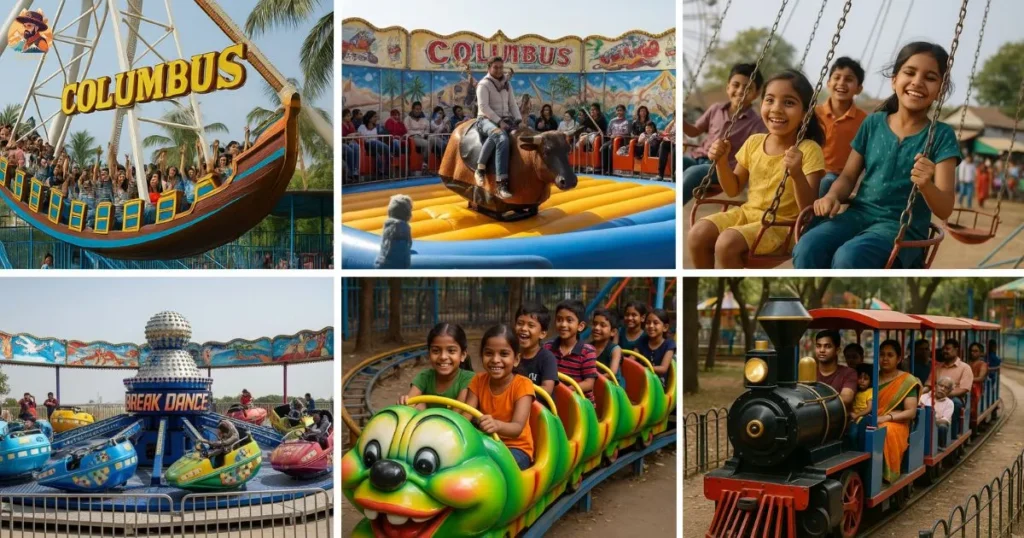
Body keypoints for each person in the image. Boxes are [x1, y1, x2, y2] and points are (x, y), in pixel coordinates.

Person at [795, 42, 961, 269]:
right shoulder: (873, 123)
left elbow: (945, 208)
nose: (917, 82)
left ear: (940, 90)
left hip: (901, 227)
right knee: (808, 245)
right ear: (894, 80)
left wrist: (926, 185)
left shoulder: (941, 135)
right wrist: (832, 196)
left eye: (930, 77)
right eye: (910, 73)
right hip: (859, 215)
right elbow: (848, 177)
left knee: (849, 257)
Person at [687, 70, 825, 268]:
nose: (776, 109)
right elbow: (733, 189)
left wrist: (796, 174)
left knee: (726, 243)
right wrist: (721, 161)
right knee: (697, 234)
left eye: (789, 103)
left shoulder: (808, 150)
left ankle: (729, 288)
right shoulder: (754, 142)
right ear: (761, 105)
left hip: (780, 226)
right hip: (748, 214)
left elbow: (808, 209)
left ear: (805, 113)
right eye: (770, 100)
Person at [682, 63, 767, 204]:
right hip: (697, 158)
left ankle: (674, 209)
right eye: (736, 85)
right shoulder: (716, 109)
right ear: (728, 87)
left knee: (693, 173)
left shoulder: (756, 123)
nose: (740, 91)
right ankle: (662, 201)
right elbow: (695, 131)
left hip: (721, 169)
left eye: (748, 88)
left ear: (757, 94)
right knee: (677, 162)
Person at [465, 325, 535, 470]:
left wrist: (497, 425)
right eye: (489, 353)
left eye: (504, 354)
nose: (495, 360)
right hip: (486, 444)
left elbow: (517, 428)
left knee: (490, 468)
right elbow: (467, 414)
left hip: (516, 448)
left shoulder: (523, 385)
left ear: (516, 359)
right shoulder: (478, 381)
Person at [815, 57, 867, 197]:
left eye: (849, 80)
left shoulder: (864, 121)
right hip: (812, 172)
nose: (841, 83)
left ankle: (816, 218)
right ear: (828, 83)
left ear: (859, 88)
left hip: (841, 179)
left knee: (827, 181)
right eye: (836, 78)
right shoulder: (814, 114)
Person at [874, 339, 921, 483]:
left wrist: (887, 417)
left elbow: (910, 412)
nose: (885, 358)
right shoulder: (871, 377)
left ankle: (883, 473)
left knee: (883, 430)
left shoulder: (907, 381)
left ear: (898, 358)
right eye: (882, 354)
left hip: (896, 423)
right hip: (872, 417)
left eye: (890, 355)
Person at [475, 57, 521, 199]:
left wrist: (519, 120)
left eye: (501, 67)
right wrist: (499, 121)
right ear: (489, 68)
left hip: (505, 119)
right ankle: (499, 182)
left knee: (523, 134)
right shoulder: (484, 84)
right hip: (485, 120)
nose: (499, 70)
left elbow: (512, 104)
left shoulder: (507, 84)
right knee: (501, 137)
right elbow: (484, 107)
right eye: (495, 67)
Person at [399, 323, 475, 409]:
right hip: (427, 421)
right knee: (419, 406)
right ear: (429, 354)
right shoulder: (424, 377)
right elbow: (409, 405)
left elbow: (457, 415)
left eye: (451, 351)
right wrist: (405, 403)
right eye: (436, 351)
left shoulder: (468, 379)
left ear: (463, 355)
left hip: (451, 422)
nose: (443, 357)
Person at [545, 300, 598, 404]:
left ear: (580, 326)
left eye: (569, 320)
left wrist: (567, 390)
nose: (563, 324)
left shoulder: (587, 351)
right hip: (556, 401)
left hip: (580, 403)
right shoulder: (548, 347)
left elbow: (589, 383)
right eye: (559, 320)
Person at [922, 339, 973, 437]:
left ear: (956, 350)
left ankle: (952, 435)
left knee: (955, 404)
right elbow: (929, 385)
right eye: (943, 349)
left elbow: (964, 389)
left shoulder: (965, 368)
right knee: (922, 402)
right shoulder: (937, 367)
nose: (945, 351)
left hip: (954, 397)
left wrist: (945, 394)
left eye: (948, 349)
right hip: (936, 394)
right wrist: (920, 393)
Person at [513, 302, 559, 396]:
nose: (524, 328)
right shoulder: (511, 354)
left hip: (539, 408)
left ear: (542, 333)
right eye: (520, 323)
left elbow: (547, 390)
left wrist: (520, 392)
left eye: (531, 325)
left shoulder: (547, 358)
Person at [635, 308, 676, 388]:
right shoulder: (642, 340)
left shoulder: (669, 344)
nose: (651, 326)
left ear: (665, 327)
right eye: (648, 323)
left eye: (655, 323)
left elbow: (663, 368)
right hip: (642, 381)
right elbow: (632, 357)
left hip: (659, 385)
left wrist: (642, 369)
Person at [814, 330, 856, 407]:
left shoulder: (848, 373)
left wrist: (813, 403)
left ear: (837, 350)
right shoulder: (809, 371)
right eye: (818, 346)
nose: (822, 350)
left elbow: (846, 399)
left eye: (827, 346)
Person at [590, 308, 624, 386]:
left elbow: (611, 374)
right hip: (594, 386)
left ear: (613, 332)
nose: (596, 328)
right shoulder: (588, 347)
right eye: (595, 324)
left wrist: (590, 379)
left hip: (612, 389)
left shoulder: (615, 350)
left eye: (602, 325)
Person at [920, 376, 955, 448]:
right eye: (941, 385)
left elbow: (945, 420)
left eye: (946, 388)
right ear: (936, 386)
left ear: (949, 391)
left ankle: (940, 447)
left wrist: (932, 422)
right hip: (921, 425)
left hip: (936, 426)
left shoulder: (949, 403)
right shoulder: (923, 397)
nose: (942, 389)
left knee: (943, 427)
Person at [600, 104, 631, 174]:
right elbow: (608, 132)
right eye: (618, 111)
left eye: (621, 110)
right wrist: (610, 135)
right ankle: (604, 169)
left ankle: (611, 169)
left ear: (624, 111)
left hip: (622, 141)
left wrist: (616, 136)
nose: (619, 112)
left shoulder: (627, 122)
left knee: (611, 147)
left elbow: (627, 133)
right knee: (603, 148)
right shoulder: (612, 121)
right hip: (612, 140)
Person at [405, 102, 430, 170]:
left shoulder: (424, 119)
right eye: (416, 109)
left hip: (424, 137)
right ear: (413, 109)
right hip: (413, 138)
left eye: (419, 109)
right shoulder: (408, 118)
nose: (418, 111)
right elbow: (407, 130)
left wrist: (424, 134)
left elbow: (427, 129)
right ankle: (424, 163)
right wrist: (419, 133)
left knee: (434, 139)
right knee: (427, 143)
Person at [967, 342, 988, 420]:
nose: (973, 353)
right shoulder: (967, 363)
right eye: (972, 351)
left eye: (976, 351)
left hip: (976, 387)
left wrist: (967, 380)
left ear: (981, 353)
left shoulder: (983, 364)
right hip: (967, 386)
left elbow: (980, 378)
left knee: (975, 391)